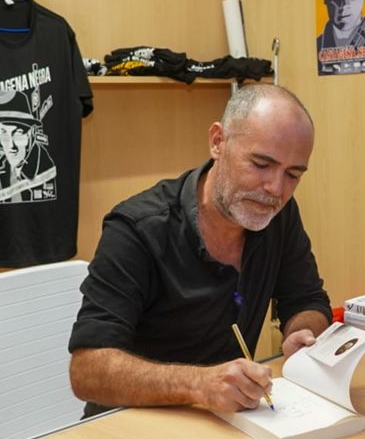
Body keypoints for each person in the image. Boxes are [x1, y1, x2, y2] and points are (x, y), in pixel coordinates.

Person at [69, 84, 332, 419]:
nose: (276, 189)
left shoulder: (278, 214)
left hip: (227, 421)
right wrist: (198, 384)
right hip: (130, 425)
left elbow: (307, 298)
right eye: (261, 164)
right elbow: (87, 370)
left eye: (293, 175)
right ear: (218, 142)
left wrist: (301, 333)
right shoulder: (138, 229)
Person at [0, 89, 56, 204]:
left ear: (30, 134)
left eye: (18, 133)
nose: (11, 146)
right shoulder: (0, 167)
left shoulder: (45, 165)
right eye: (3, 133)